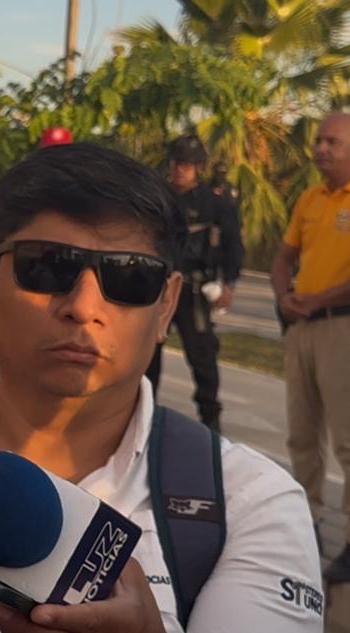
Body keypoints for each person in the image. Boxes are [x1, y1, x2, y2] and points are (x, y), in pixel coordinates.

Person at [0, 144, 321, 632]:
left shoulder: (251, 504)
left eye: (130, 277)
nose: (83, 307)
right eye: (48, 266)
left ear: (166, 307)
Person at [272, 112, 350, 584]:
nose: (321, 148)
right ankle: (306, 522)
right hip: (304, 329)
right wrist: (284, 296)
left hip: (349, 328)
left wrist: (320, 299)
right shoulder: (310, 198)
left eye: (332, 141)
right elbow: (284, 256)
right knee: (302, 434)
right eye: (318, 140)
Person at [145, 135, 244, 431]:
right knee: (146, 353)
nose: (179, 169)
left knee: (202, 356)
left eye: (186, 165)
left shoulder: (215, 204)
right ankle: (143, 416)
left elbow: (233, 246)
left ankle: (211, 420)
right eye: (176, 163)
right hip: (158, 287)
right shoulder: (157, 198)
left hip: (194, 289)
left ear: (199, 168)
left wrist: (228, 284)